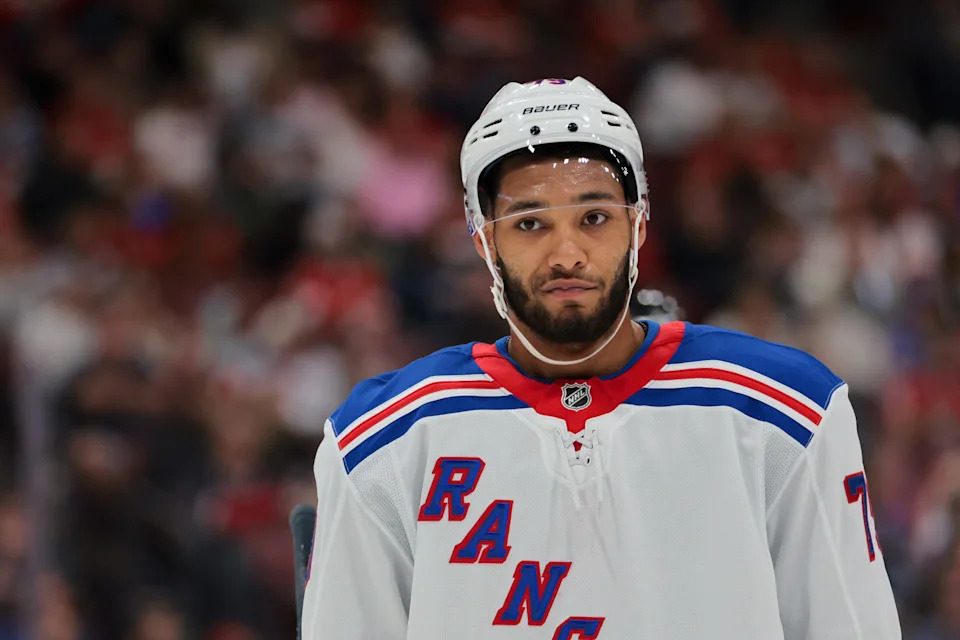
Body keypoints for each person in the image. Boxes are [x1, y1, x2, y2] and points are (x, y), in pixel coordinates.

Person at [301, 77, 901, 639]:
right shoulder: (378, 442)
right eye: (530, 223)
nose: (567, 254)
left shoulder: (786, 413)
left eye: (594, 218)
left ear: (639, 226)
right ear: (484, 240)